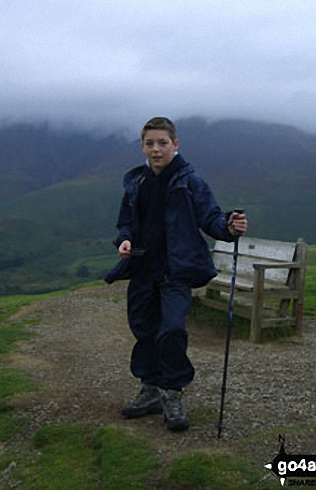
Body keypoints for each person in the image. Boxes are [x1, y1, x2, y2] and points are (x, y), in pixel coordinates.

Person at [106, 117, 247, 432]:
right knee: (144, 329)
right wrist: (125, 239)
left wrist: (228, 226)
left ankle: (172, 392)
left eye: (162, 143)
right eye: (150, 144)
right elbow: (125, 223)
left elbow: (210, 217)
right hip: (142, 269)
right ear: (143, 146)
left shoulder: (190, 181)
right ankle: (150, 388)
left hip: (176, 271)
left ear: (175, 145)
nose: (156, 150)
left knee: (170, 329)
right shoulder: (136, 183)